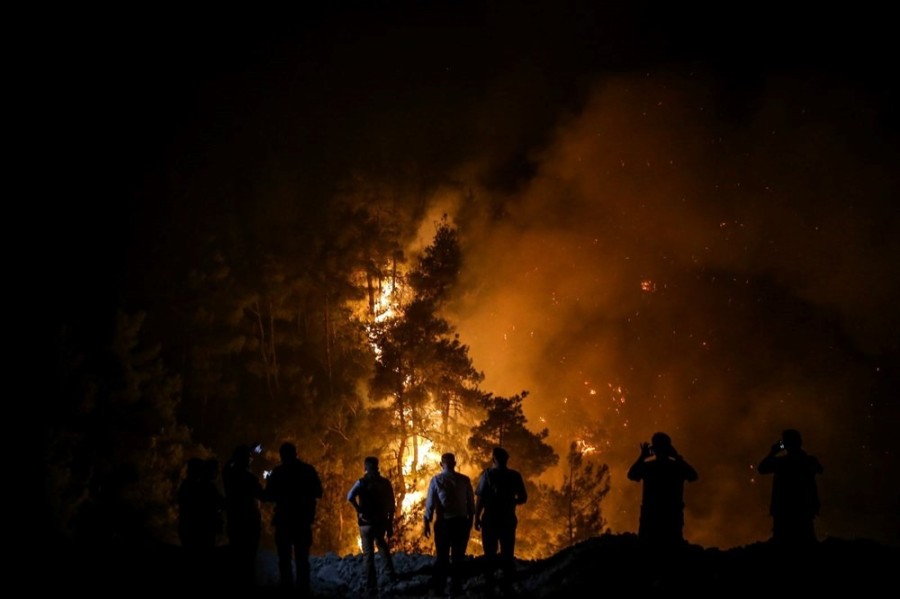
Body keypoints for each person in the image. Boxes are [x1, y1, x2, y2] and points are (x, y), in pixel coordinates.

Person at [263, 442, 324, 597]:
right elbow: (318, 492)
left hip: (284, 521)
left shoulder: (278, 472)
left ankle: (287, 587)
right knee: (302, 559)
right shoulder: (308, 470)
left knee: (284, 559)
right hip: (302, 521)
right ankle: (303, 588)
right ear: (295, 453)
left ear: (282, 455)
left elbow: (268, 496)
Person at [627, 432, 698, 549]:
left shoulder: (649, 467)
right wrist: (678, 458)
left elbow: (631, 474)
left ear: (653, 450)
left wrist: (642, 457)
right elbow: (693, 476)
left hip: (650, 521)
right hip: (671, 520)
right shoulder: (677, 467)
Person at [757, 428, 824, 547]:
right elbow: (819, 469)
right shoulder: (809, 460)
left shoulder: (781, 463)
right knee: (806, 543)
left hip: (785, 511)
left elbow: (762, 468)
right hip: (803, 509)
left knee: (784, 544)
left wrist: (772, 452)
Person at [474, 446, 527, 590]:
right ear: (506, 460)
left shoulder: (487, 475)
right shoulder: (515, 476)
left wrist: (476, 517)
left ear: (493, 460)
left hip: (490, 519)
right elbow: (523, 497)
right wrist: (511, 501)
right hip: (508, 519)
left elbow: (480, 498)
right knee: (507, 553)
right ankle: (507, 586)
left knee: (489, 554)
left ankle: (490, 585)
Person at [423, 452, 475, 596]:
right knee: (458, 557)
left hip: (444, 524)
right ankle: (455, 588)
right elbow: (471, 504)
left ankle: (440, 588)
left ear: (441, 464)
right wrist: (470, 522)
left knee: (442, 557)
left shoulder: (436, 480)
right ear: (455, 463)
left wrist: (426, 521)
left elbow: (430, 504)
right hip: (461, 523)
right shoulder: (464, 480)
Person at [347, 456, 398, 596]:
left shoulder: (361, 482)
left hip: (365, 523)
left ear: (365, 468)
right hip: (380, 522)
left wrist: (358, 509)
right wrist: (389, 524)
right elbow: (391, 506)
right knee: (382, 546)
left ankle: (371, 586)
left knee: (368, 554)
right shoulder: (385, 483)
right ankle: (390, 575)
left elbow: (349, 496)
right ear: (377, 466)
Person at [177, 456, 226, 587]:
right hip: (202, 531)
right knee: (203, 562)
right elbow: (222, 504)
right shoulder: (204, 487)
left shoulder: (187, 485)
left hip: (188, 528)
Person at [223, 443, 265, 589]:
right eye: (249, 457)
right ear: (245, 459)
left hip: (234, 520)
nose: (251, 459)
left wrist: (243, 452)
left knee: (235, 553)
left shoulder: (229, 475)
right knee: (249, 557)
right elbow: (263, 495)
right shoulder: (249, 478)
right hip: (249, 522)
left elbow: (226, 466)